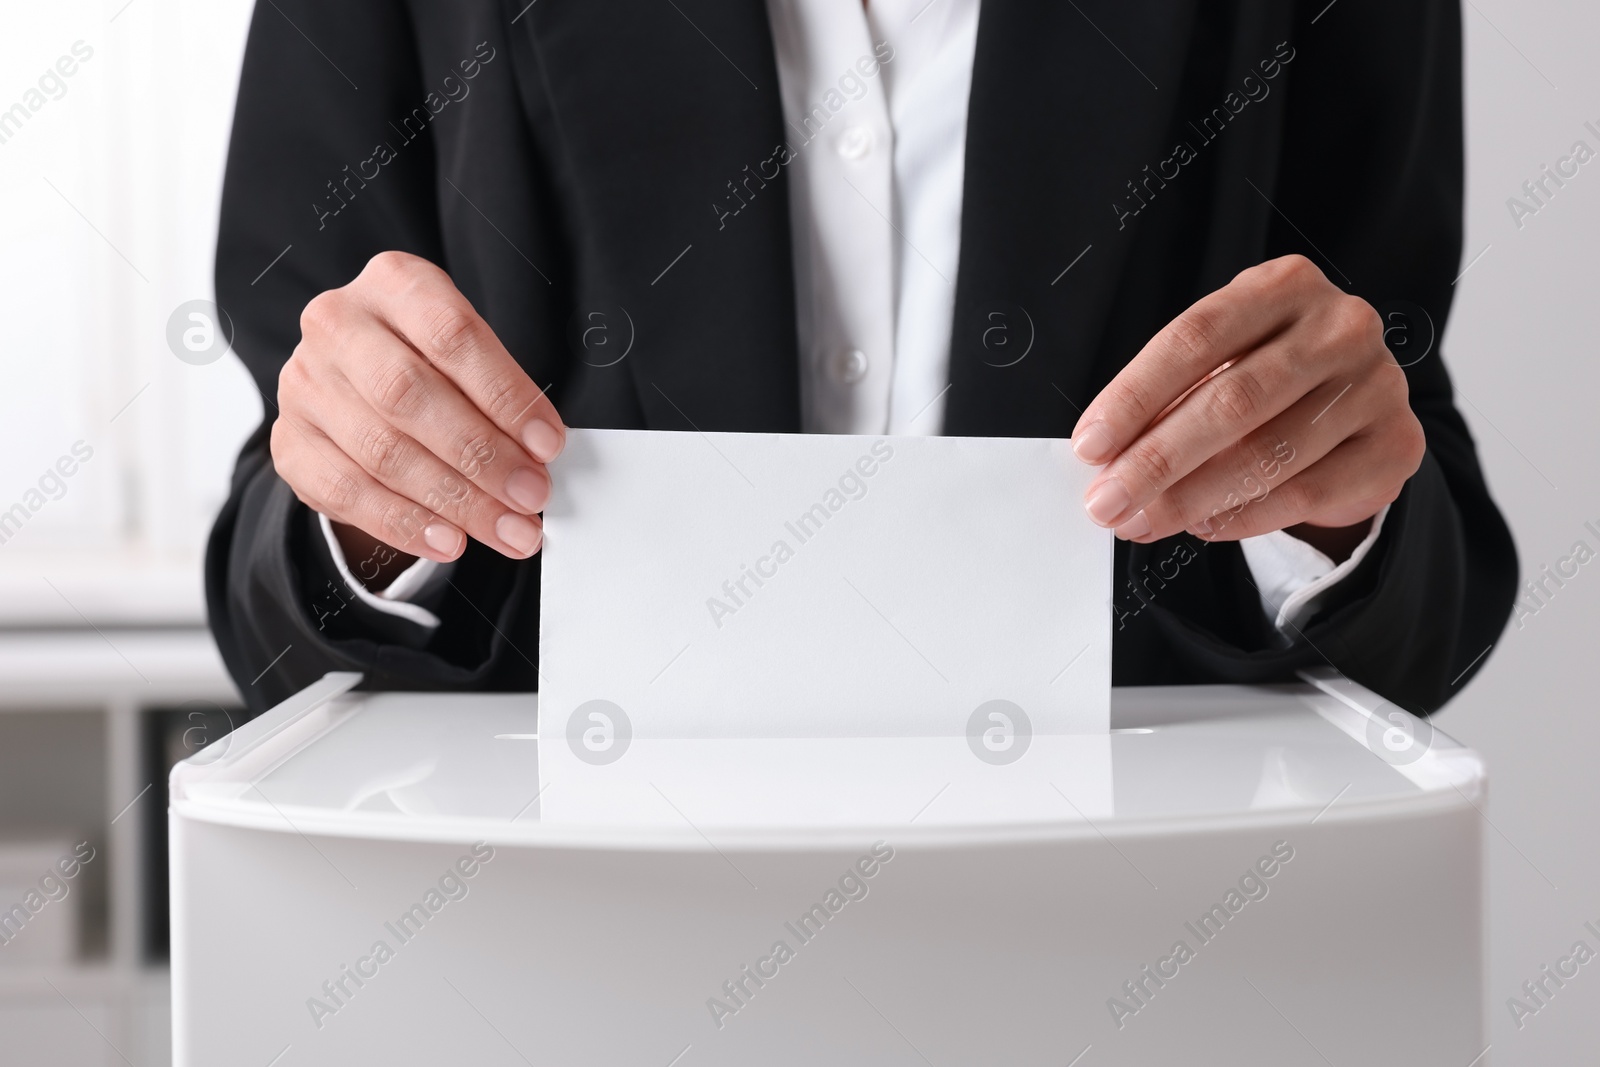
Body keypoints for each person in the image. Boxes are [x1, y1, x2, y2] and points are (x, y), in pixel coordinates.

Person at [207, 0, 1516, 715]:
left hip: (1126, 952)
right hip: (567, 951)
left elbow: (1423, 585)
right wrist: (369, 524)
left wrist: (1334, 517)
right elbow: (271, 600)